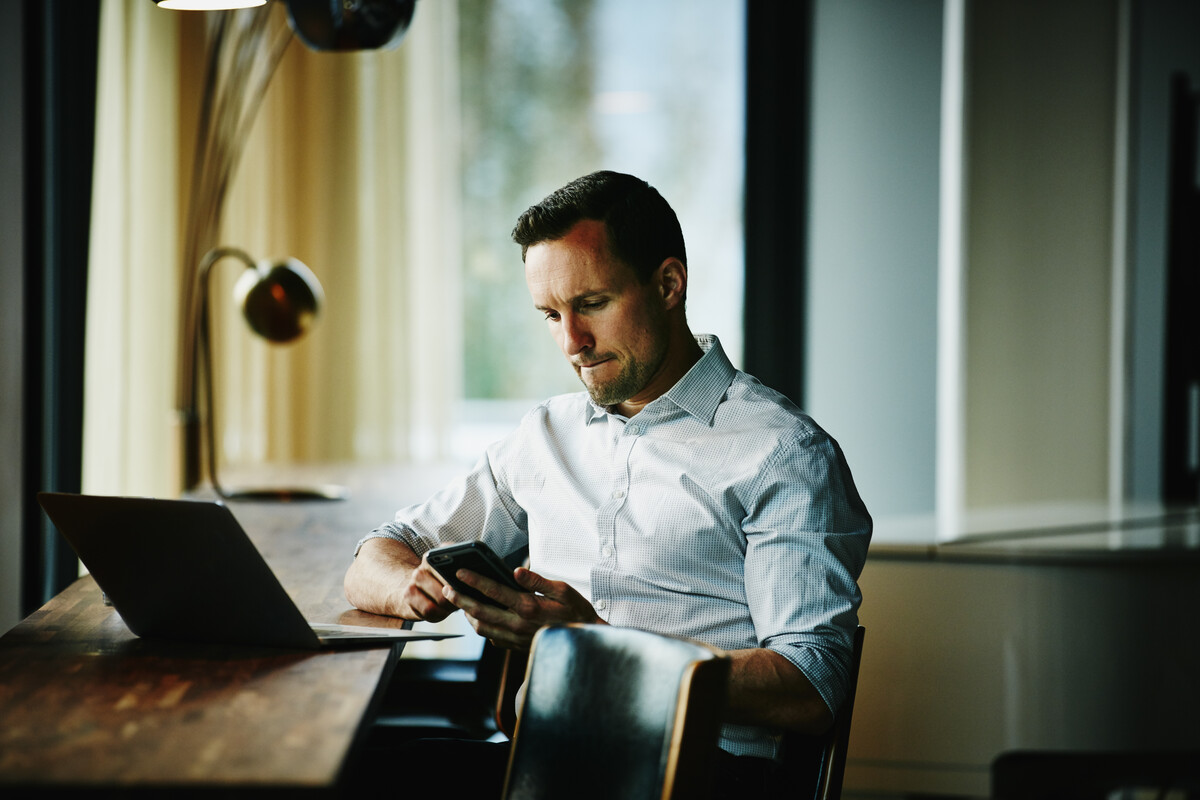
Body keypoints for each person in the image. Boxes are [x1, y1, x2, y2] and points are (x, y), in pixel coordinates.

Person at [344, 170, 871, 794]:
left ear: (669, 284)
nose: (572, 343)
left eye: (591, 304)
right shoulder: (546, 435)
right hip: (543, 760)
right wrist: (411, 585)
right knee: (344, 771)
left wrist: (594, 648)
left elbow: (812, 687)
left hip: (702, 775)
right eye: (550, 314)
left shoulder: (781, 452)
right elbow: (374, 554)